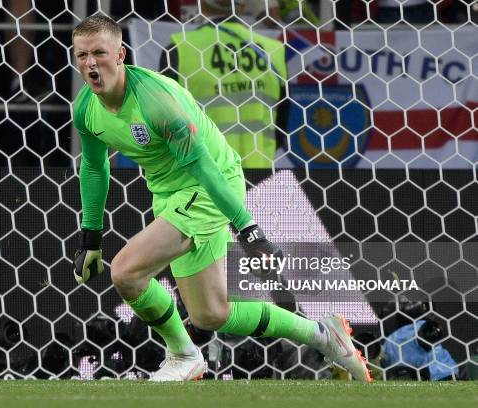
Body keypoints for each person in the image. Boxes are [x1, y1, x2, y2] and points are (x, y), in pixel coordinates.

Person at [71, 14, 372, 382]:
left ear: (120, 55)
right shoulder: (85, 108)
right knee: (210, 313)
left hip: (211, 184)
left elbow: (205, 167)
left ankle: (184, 356)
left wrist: (249, 230)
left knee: (126, 272)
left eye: (99, 53)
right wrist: (90, 236)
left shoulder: (158, 102)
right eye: (81, 54)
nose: (90, 63)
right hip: (169, 193)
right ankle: (324, 335)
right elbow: (94, 168)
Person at [160, 0, 288, 169]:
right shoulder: (273, 51)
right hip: (260, 178)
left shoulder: (180, 49)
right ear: (242, 5)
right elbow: (281, 125)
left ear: (200, 4)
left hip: (205, 180)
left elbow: (164, 125)